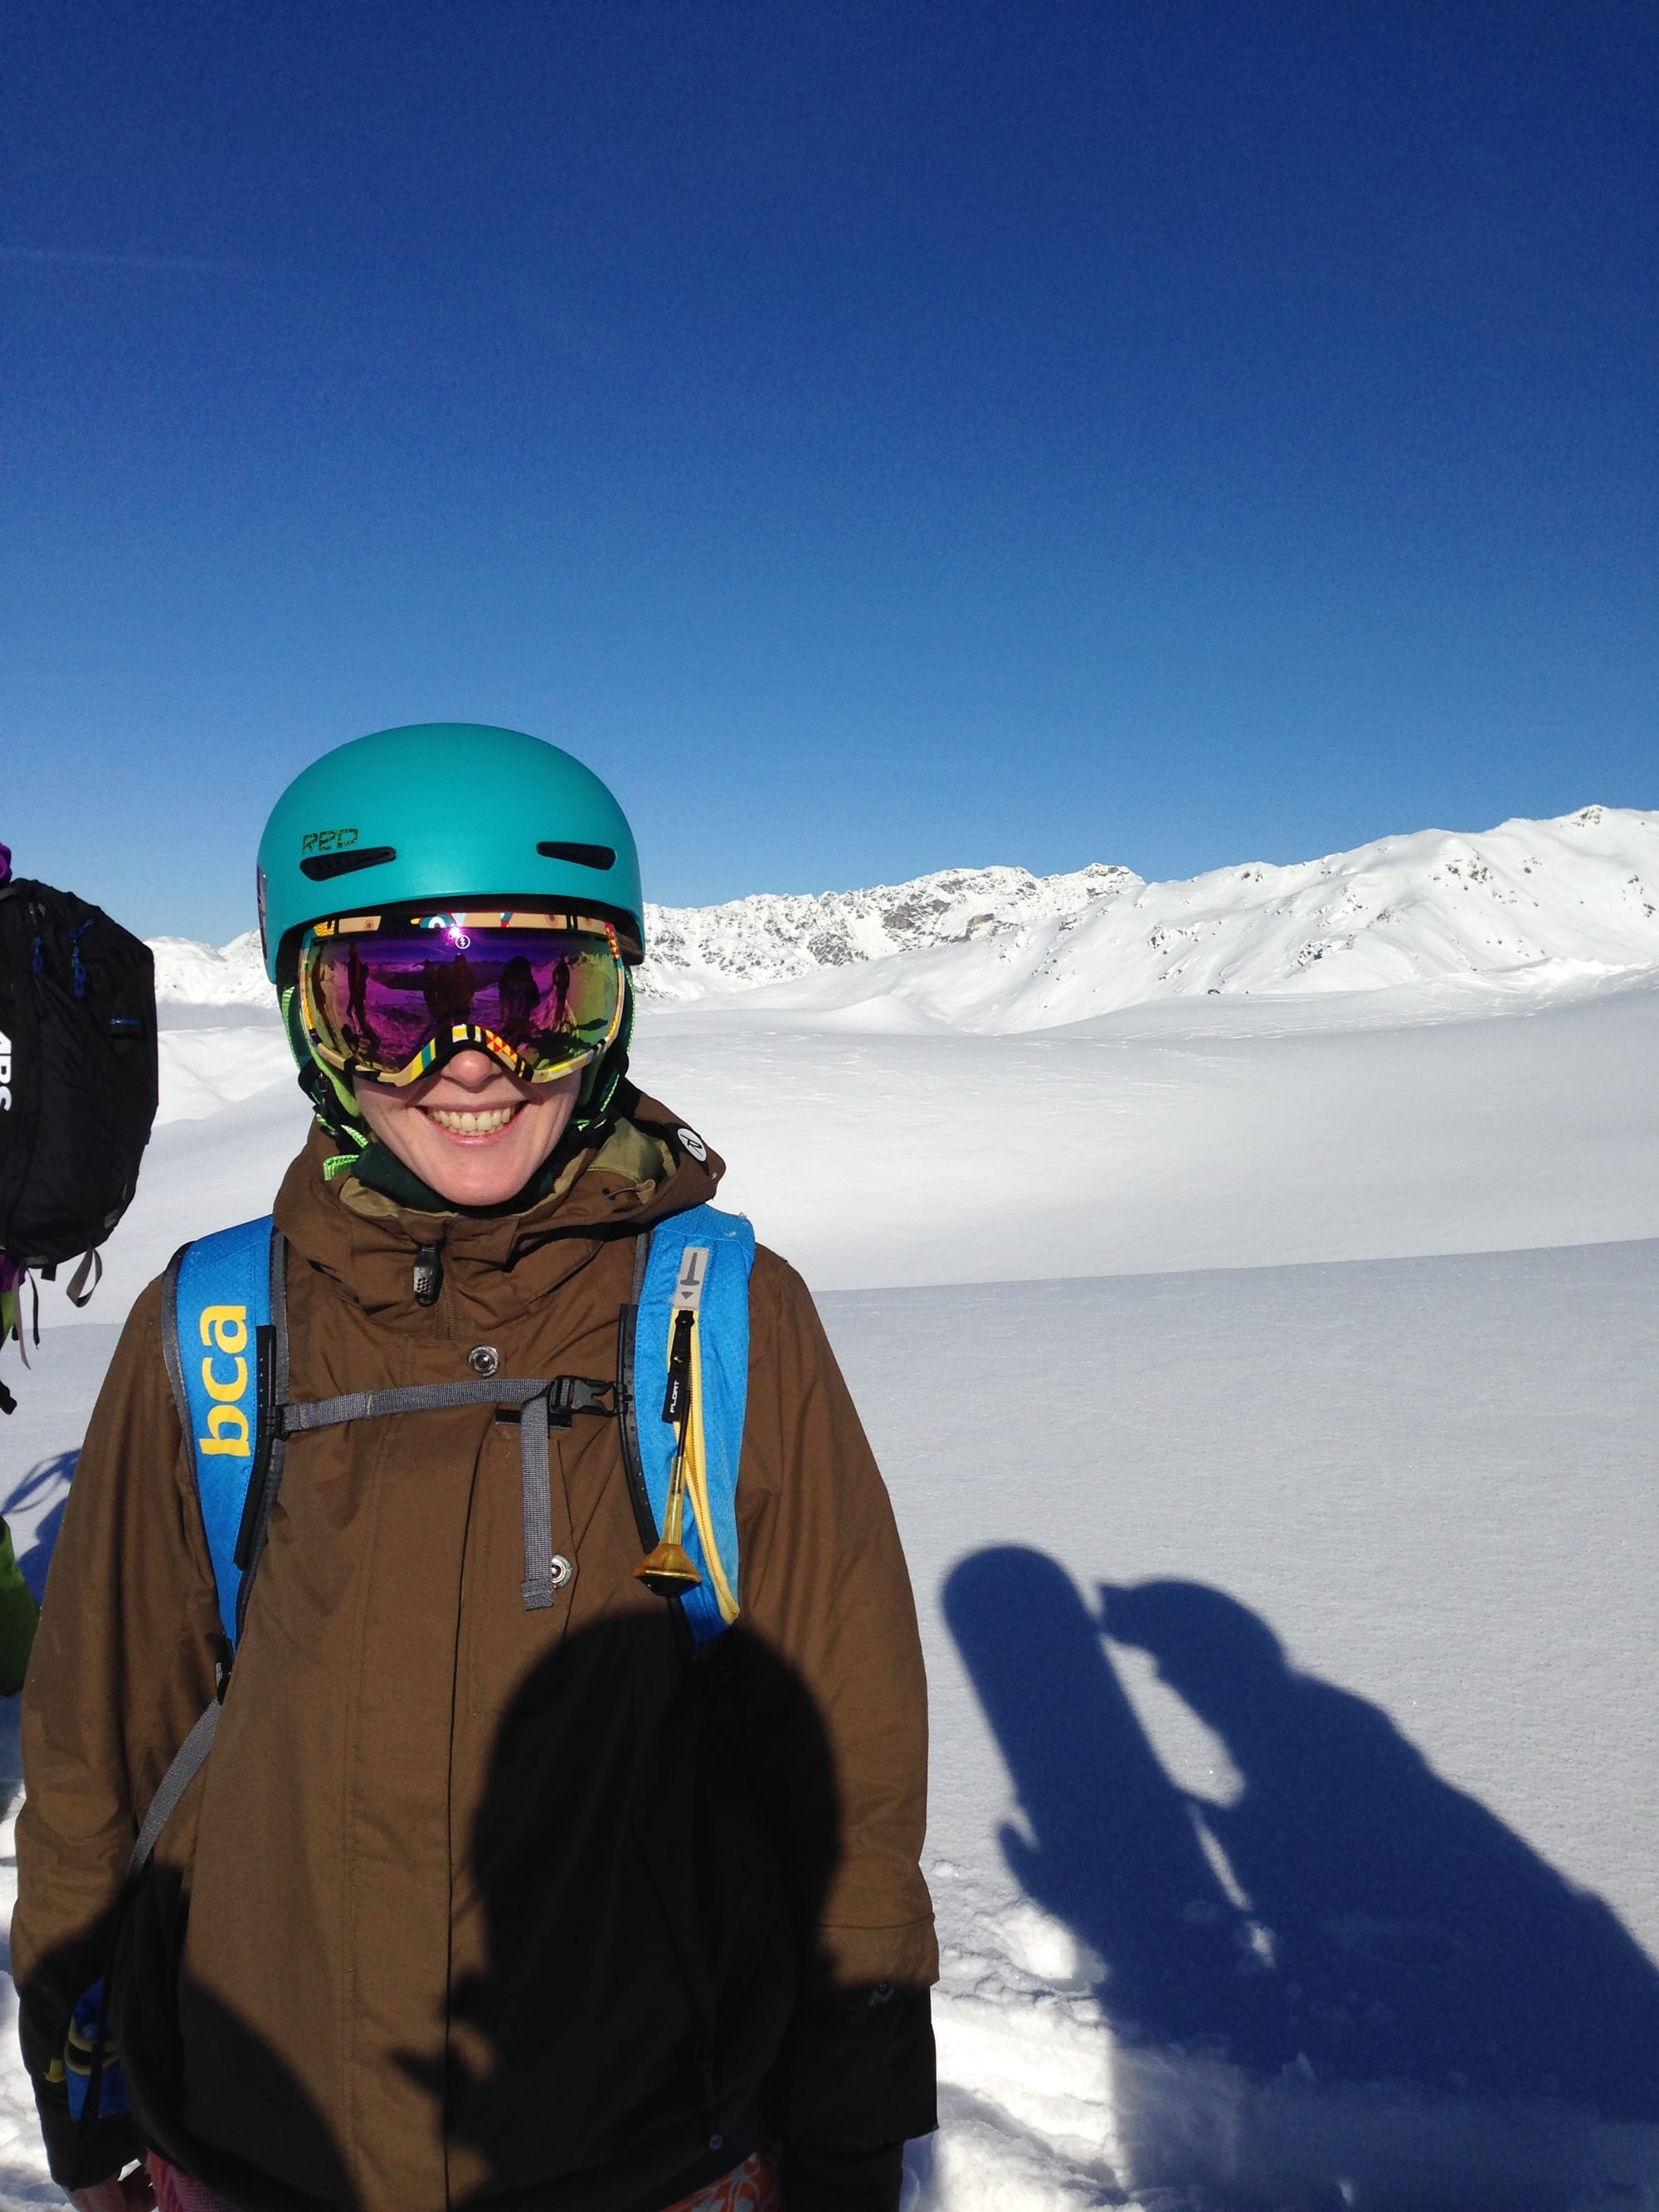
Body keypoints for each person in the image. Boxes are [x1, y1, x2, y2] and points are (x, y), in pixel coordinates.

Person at [14, 724, 937, 2212]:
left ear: (615, 1010)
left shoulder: (717, 1321)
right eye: (393, 1004)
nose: (472, 1068)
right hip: (262, 2138)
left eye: (535, 996)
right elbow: (96, 1753)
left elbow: (847, 1774)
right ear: (310, 1029)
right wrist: (88, 2092)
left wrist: (845, 2140)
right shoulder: (218, 1329)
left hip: (647, 2151)